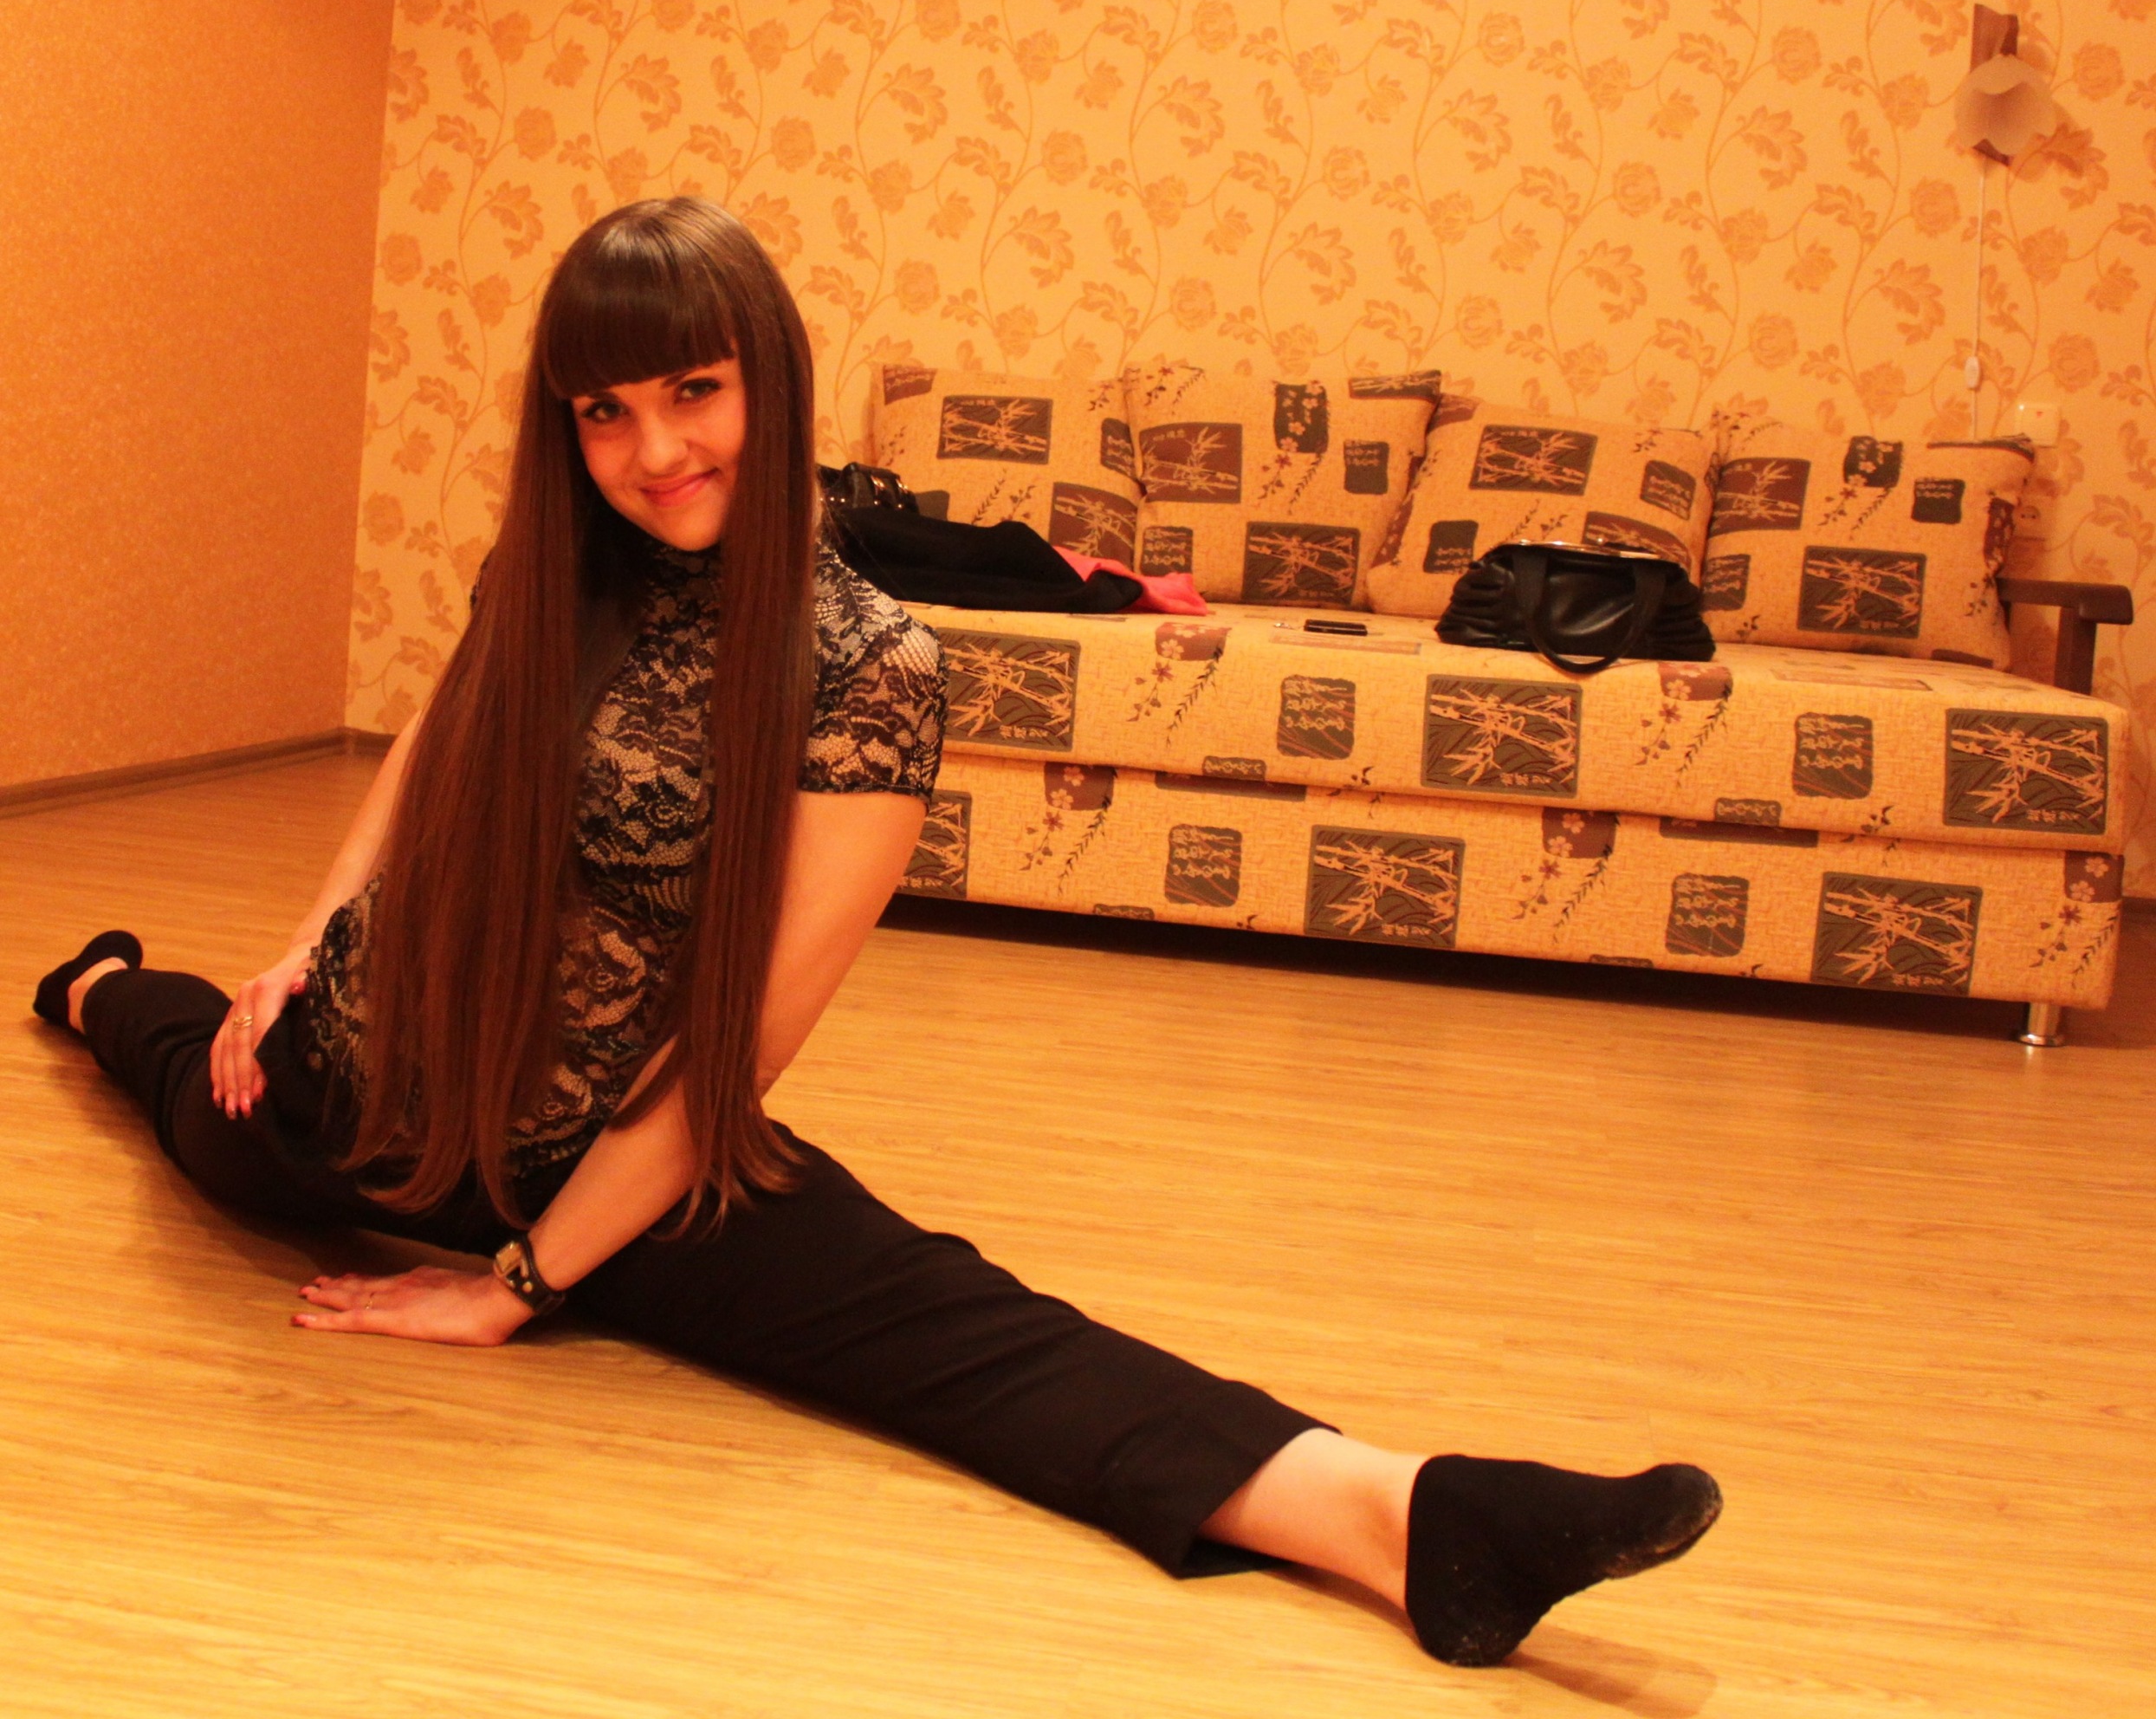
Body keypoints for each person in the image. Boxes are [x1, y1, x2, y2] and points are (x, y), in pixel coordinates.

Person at [32, 197, 1719, 1669]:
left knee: (925, 1311)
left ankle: (1408, 1518)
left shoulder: (869, 666)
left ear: (770, 378)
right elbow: (431, 747)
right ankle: (104, 984)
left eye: (692, 391)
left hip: (606, 1140)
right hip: (365, 1088)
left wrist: (518, 1287)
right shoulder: (547, 570)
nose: (653, 451)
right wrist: (305, 946)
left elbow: (734, 1053)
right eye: (605, 410)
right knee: (191, 1083)